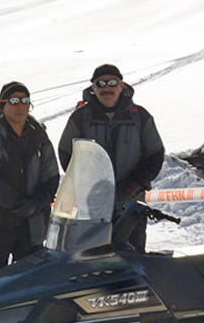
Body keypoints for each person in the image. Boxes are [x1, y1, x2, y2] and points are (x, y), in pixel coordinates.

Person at [57, 64, 165, 250]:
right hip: (92, 206)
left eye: (112, 82)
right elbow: (67, 152)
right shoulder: (81, 117)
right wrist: (87, 183)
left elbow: (155, 155)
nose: (107, 88)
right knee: (92, 259)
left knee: (132, 259)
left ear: (121, 85)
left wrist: (132, 186)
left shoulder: (140, 116)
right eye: (101, 83)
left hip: (131, 205)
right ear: (93, 88)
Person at [0, 81, 60, 279]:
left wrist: (35, 203)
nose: (20, 105)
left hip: (32, 225)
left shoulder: (39, 136)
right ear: (3, 104)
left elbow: (51, 176)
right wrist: (18, 204)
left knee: (30, 282)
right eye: (14, 100)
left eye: (25, 100)